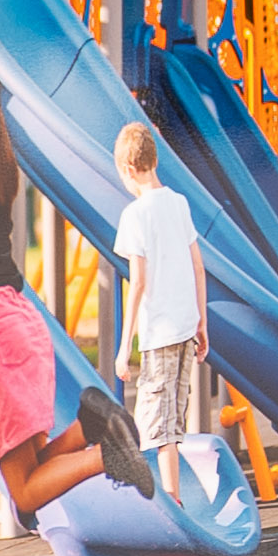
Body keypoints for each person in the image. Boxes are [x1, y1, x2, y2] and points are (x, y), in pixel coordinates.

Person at [0, 56, 153, 527]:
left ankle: (106, 455)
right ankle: (88, 425)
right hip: (20, 322)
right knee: (34, 471)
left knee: (25, 495)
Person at [112, 122, 209, 452]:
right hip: (186, 330)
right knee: (171, 423)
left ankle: (169, 498)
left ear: (128, 169)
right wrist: (202, 323)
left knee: (155, 428)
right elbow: (198, 266)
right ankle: (171, 494)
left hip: (161, 334)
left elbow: (137, 281)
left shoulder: (134, 214)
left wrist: (125, 348)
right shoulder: (179, 203)